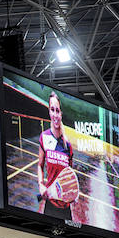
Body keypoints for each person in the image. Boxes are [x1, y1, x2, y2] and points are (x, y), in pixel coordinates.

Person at [37, 91, 78, 221]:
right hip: (50, 204)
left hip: (65, 208)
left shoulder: (68, 146)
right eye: (52, 110)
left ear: (61, 114)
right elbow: (40, 165)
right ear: (49, 111)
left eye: (58, 111)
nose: (55, 114)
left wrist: (73, 195)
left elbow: (69, 176)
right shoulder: (44, 137)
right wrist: (40, 184)